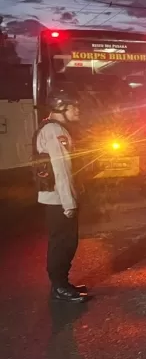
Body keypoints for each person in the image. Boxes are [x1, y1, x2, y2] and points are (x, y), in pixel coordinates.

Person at [34, 88, 89, 302]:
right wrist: (69, 203)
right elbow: (61, 169)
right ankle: (59, 287)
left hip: (58, 197)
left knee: (67, 241)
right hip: (58, 199)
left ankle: (62, 284)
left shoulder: (56, 128)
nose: (78, 109)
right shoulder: (54, 130)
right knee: (63, 243)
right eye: (73, 105)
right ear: (60, 107)